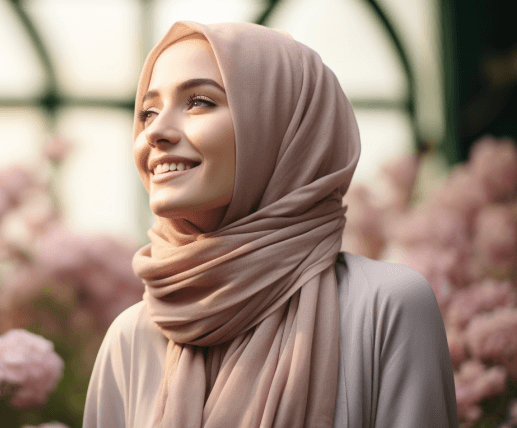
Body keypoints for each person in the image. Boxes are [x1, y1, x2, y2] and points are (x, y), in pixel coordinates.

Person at [83, 21, 458, 428]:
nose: (154, 131)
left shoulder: (386, 306)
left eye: (199, 102)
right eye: (148, 111)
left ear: (282, 126)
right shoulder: (131, 338)